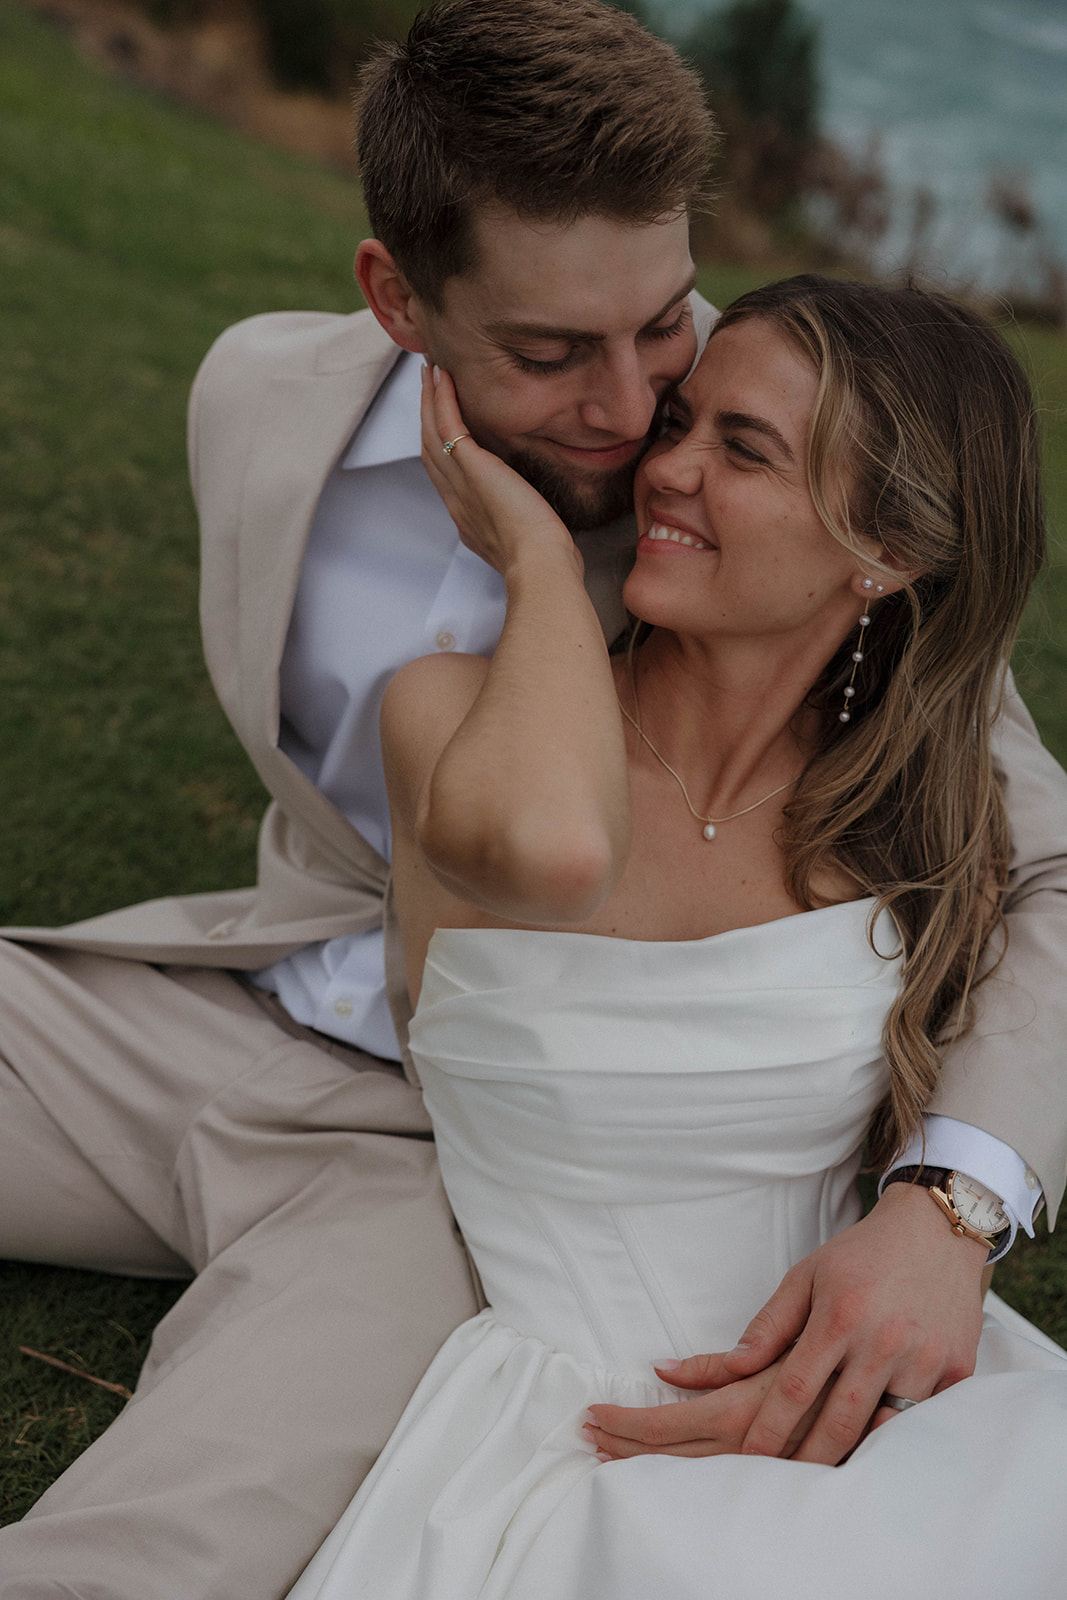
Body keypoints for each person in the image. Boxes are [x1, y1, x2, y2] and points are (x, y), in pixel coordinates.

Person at [0, 3, 1063, 1594]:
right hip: (240, 1001)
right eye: (554, 354)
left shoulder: (792, 520)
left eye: (665, 328)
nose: (638, 416)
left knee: (172, 1535)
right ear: (396, 298)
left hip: (462, 1160)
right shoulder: (258, 400)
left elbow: (1054, 867)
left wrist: (950, 1204)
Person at [285, 276, 1067, 1600]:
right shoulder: (453, 719)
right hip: (573, 1429)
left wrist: (948, 1222)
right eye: (681, 423)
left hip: (895, 1389)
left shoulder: (922, 816)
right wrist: (535, 560)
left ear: (882, 550)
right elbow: (555, 852)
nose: (670, 468)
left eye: (741, 450)